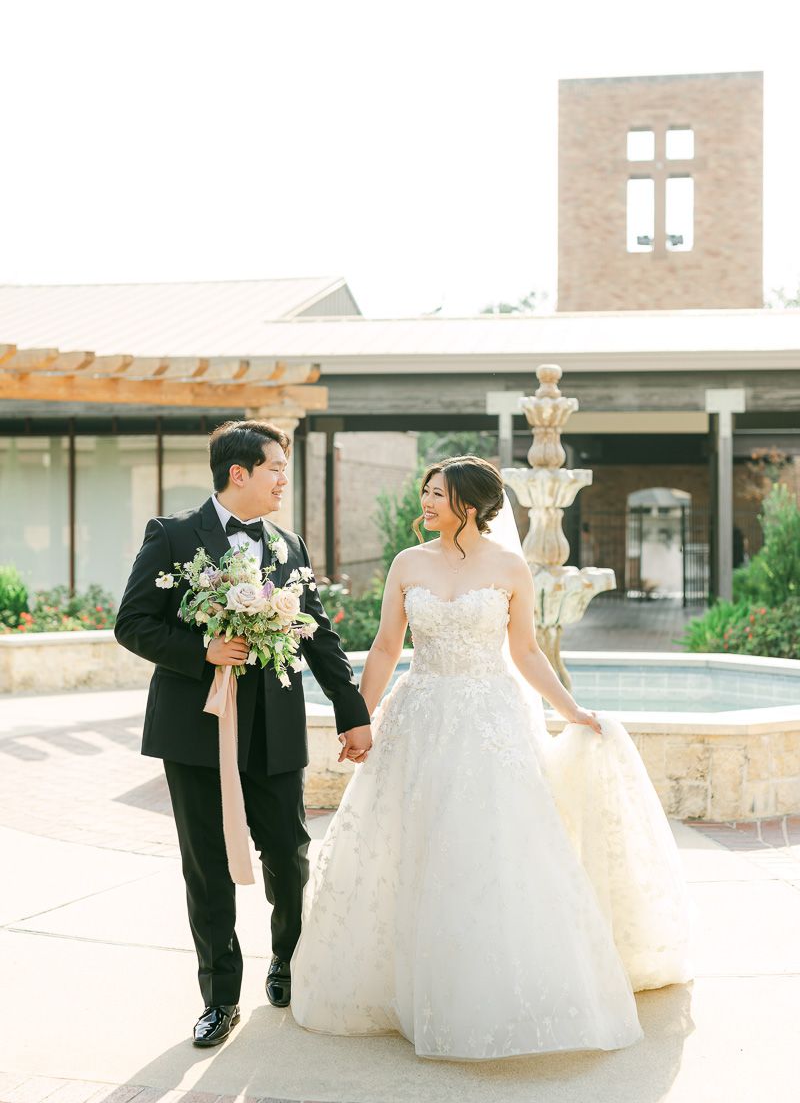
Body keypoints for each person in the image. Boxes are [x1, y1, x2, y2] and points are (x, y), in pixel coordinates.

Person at [291, 455, 692, 1060]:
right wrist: (359, 719)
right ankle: (412, 987)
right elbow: (384, 648)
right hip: (419, 716)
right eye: (423, 492)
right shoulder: (407, 563)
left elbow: (527, 651)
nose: (423, 504)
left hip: (489, 722)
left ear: (469, 507)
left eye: (435, 495)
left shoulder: (509, 566)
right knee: (414, 845)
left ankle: (488, 988)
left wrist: (570, 710)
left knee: (493, 848)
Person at [114, 419, 371, 1048]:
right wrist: (204, 648)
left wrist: (351, 707)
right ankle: (219, 996)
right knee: (206, 867)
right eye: (276, 467)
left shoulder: (290, 545)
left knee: (287, 852)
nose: (285, 478)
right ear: (240, 472)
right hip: (194, 730)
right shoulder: (173, 536)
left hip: (273, 728)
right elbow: (132, 623)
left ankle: (287, 960)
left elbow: (318, 632)